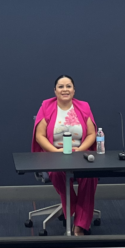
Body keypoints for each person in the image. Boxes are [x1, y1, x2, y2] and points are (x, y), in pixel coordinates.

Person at [32, 75, 97, 236]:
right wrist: (55, 152)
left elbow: (91, 133)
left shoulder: (83, 107)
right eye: (61, 87)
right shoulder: (46, 106)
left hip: (80, 153)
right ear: (55, 91)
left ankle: (79, 225)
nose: (65, 90)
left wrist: (81, 149)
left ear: (74, 90)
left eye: (68, 86)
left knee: (90, 176)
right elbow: (40, 136)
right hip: (53, 154)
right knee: (57, 172)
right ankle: (74, 209)